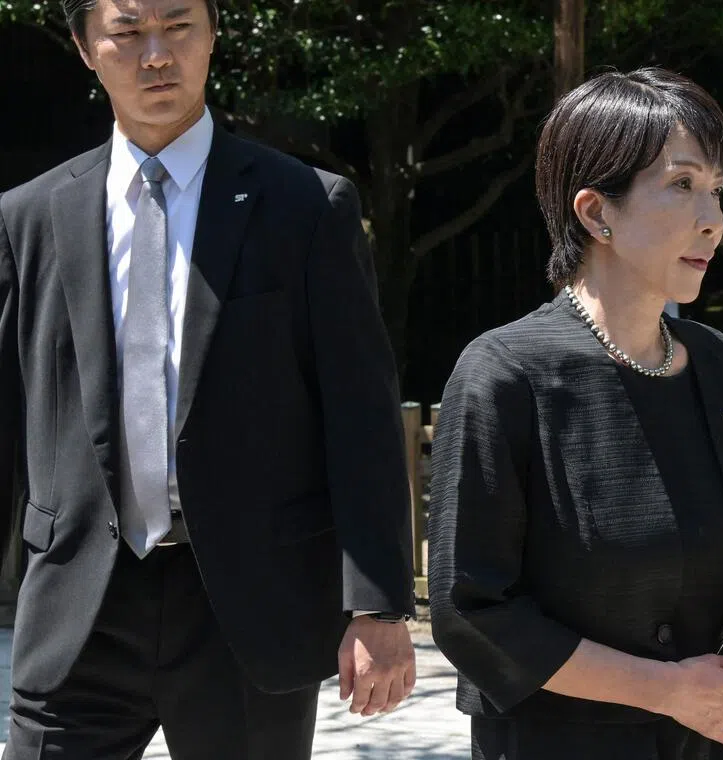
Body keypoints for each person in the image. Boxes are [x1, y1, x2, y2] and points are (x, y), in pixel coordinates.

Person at [0, 0, 417, 756]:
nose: (155, 54)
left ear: (215, 32)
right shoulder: (28, 219)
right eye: (127, 32)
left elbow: (360, 418)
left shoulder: (305, 207)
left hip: (246, 603)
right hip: (78, 601)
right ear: (85, 46)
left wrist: (379, 606)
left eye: (178, 26)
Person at [428, 67, 723, 760]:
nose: (714, 219)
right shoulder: (507, 373)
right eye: (683, 185)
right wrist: (661, 688)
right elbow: (471, 613)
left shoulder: (722, 368)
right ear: (596, 212)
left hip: (706, 740)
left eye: (716, 187)